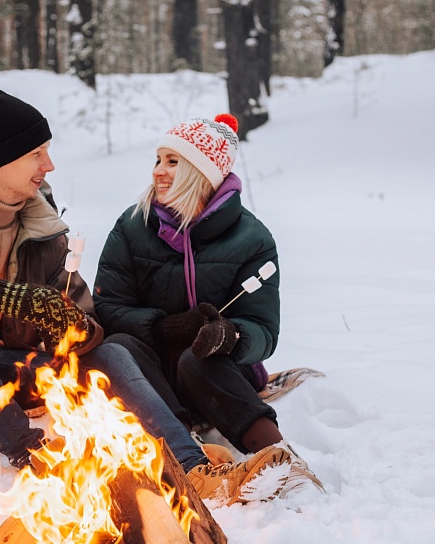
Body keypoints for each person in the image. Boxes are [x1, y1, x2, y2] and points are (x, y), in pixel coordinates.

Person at [0, 91, 293, 505]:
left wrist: (76, 327)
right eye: (37, 154)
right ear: (0, 160)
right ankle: (29, 451)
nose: (50, 165)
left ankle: (191, 468)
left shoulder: (42, 230)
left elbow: (90, 320)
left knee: (113, 354)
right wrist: (1, 296)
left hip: (5, 366)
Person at [93, 113, 323, 494]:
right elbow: (109, 308)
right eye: (157, 160)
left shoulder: (251, 238)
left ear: (203, 173)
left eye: (173, 162)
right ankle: (189, 450)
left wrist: (229, 336)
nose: (158, 172)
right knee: (117, 348)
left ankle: (279, 455)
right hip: (152, 384)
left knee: (195, 358)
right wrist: (164, 328)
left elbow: (263, 329)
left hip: (216, 377)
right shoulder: (133, 225)